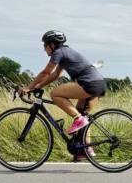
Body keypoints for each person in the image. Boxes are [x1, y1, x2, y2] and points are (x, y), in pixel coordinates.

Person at [19, 30, 106, 159]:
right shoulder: (65, 52)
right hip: (99, 83)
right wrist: (38, 87)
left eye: (45, 45)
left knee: (55, 94)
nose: (44, 49)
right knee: (83, 116)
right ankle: (86, 149)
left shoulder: (58, 52)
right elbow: (56, 75)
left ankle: (78, 119)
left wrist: (29, 87)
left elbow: (46, 72)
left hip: (88, 83)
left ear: (52, 45)